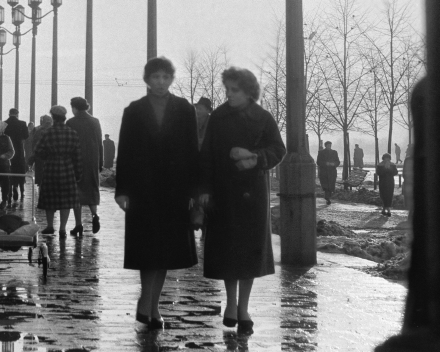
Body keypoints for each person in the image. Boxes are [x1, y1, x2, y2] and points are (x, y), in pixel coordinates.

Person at [198, 67, 285, 334]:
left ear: (249, 91)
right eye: (227, 89)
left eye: (234, 90)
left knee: (249, 253)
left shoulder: (263, 117)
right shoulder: (219, 117)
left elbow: (278, 149)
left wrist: (255, 156)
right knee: (228, 251)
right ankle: (230, 304)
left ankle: (243, 308)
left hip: (253, 195)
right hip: (223, 193)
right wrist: (203, 188)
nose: (229, 95)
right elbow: (207, 154)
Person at [115, 56, 199, 329]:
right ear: (147, 80)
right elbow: (124, 152)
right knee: (146, 248)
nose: (161, 82)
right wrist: (122, 190)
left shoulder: (185, 110)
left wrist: (193, 190)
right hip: (142, 188)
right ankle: (146, 300)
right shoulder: (134, 111)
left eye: (165, 77)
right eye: (156, 77)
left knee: (165, 251)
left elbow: (191, 152)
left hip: (174, 189)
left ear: (171, 80)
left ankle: (153, 304)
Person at [29, 104, 82, 236]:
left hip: (51, 167)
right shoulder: (72, 133)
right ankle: (63, 229)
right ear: (64, 117)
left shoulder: (48, 133)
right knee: (66, 200)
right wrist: (78, 172)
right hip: (67, 168)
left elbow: (38, 151)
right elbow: (77, 155)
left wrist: (47, 156)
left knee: (50, 198)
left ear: (53, 117)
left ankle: (50, 226)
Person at [67, 97, 103, 237]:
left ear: (75, 107)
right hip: (92, 161)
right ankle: (95, 215)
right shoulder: (95, 121)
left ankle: (78, 225)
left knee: (77, 193)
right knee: (91, 190)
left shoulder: (71, 122)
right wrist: (100, 163)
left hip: (76, 161)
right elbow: (99, 143)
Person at [3, 108, 30, 205]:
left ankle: (10, 187)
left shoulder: (4, 123)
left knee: (9, 169)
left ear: (9, 114)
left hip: (7, 149)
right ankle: (17, 186)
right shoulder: (22, 123)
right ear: (17, 114)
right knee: (19, 169)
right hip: (18, 149)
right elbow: (26, 136)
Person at [317, 140, 340, 204]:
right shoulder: (321, 153)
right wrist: (326, 163)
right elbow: (318, 162)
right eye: (328, 145)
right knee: (325, 185)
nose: (329, 146)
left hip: (332, 171)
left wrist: (334, 164)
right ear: (325, 146)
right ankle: (327, 197)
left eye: (330, 145)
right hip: (324, 171)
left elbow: (338, 162)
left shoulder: (334, 152)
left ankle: (328, 197)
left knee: (331, 185)